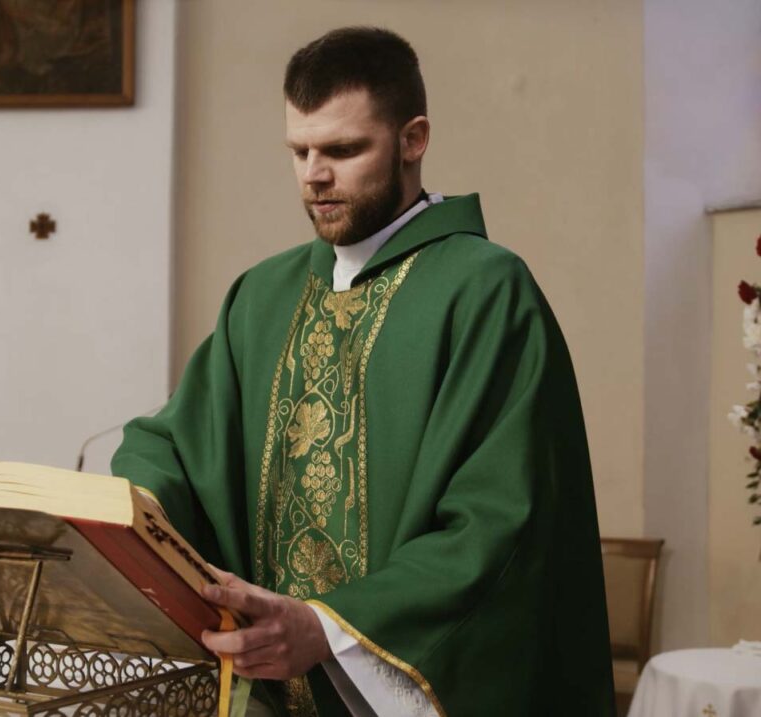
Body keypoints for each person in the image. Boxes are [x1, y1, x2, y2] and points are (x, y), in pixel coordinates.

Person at [112, 26, 615, 717]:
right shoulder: (262, 295)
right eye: (300, 151)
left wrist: (325, 627)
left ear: (414, 139)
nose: (314, 175)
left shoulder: (485, 290)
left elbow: (502, 523)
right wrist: (124, 517)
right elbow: (174, 443)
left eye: (343, 150)